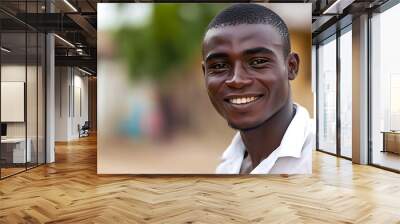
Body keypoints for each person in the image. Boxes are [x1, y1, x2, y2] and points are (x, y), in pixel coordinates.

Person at [201, 3, 314, 174]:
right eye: (219, 65)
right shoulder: (227, 166)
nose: (236, 80)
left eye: (258, 62)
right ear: (205, 73)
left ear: (291, 67)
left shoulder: (324, 156)